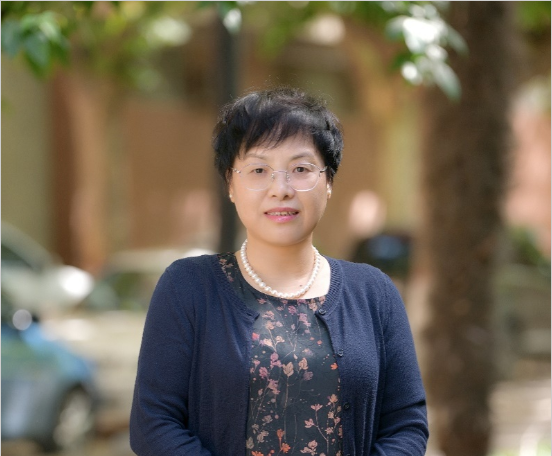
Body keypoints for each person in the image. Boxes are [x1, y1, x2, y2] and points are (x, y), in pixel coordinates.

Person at [129, 87, 428, 456]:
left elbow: (406, 424)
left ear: (329, 182)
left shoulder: (374, 293)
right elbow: (153, 424)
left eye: (301, 169)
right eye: (259, 170)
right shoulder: (188, 287)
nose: (280, 189)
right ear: (230, 184)